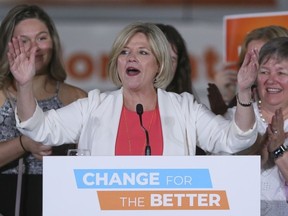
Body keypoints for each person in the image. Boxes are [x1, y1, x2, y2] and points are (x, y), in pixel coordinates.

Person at [10, 22, 257, 157]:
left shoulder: (184, 108)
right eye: (124, 52)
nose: (131, 59)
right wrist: (24, 85)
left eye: (142, 53)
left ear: (159, 64)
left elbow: (234, 140)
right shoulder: (94, 105)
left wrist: (244, 93)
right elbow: (39, 128)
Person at [0, 5, 87, 216]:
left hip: (61, 200)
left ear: (54, 44)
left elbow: (88, 160)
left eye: (41, 38)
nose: (34, 48)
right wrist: (24, 143)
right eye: (23, 40)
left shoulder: (76, 97)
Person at [224, 37, 288, 215]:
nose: (271, 80)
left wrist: (279, 152)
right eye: (264, 72)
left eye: (281, 73)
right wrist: (255, 156)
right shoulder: (234, 118)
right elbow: (216, 180)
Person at [209, 25, 288, 115]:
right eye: (251, 59)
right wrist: (226, 97)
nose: (256, 65)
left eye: (264, 58)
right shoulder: (238, 104)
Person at [155, 23, 205, 155]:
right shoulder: (111, 106)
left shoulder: (189, 110)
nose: (165, 66)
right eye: (161, 56)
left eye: (172, 59)